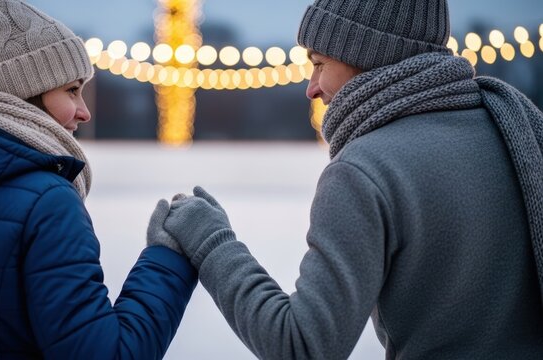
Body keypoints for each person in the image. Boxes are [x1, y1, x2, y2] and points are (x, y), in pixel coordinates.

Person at [151, 0, 543, 359]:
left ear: (368, 55)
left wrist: (212, 242)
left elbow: (302, 345)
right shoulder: (515, 129)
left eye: (319, 63)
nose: (312, 87)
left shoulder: (366, 171)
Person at [0, 0, 195, 358]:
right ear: (22, 88)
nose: (84, 111)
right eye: (71, 90)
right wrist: (169, 258)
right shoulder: (45, 202)